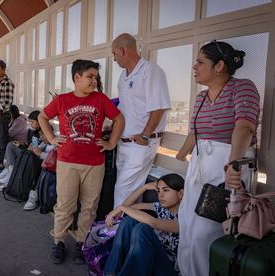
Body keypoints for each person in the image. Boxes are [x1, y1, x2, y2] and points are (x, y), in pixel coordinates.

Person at [175, 41, 260, 276]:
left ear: (219, 66)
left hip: (226, 166)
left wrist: (232, 165)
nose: (194, 67)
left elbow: (244, 127)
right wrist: (181, 156)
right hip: (200, 165)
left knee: (206, 232)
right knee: (188, 225)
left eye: (200, 62)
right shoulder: (201, 98)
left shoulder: (243, 87)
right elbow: (194, 134)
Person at [38, 59, 125, 264]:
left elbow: (119, 119)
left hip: (95, 164)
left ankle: (81, 242)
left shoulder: (101, 99)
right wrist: (51, 138)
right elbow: (43, 117)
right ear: (77, 77)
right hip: (67, 162)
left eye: (96, 77)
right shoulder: (62, 100)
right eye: (90, 76)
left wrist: (111, 143)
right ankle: (58, 241)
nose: (94, 80)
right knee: (65, 205)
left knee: (89, 206)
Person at [111, 33, 171, 208]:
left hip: (140, 144)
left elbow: (159, 107)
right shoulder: (123, 77)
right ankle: (127, 232)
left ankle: (114, 232)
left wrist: (145, 136)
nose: (114, 59)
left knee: (122, 192)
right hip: (124, 144)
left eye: (114, 54)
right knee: (131, 194)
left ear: (122, 50)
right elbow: (126, 107)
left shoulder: (151, 71)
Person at [104, 174, 184, 276]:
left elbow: (154, 223)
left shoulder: (184, 218)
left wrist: (121, 208)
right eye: (158, 190)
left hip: (167, 268)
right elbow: (130, 207)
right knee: (129, 221)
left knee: (142, 229)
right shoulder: (161, 207)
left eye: (166, 190)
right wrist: (144, 187)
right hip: (150, 259)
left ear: (180, 194)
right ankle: (110, 273)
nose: (160, 195)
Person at [0, 110, 40, 192]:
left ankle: (9, 179)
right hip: (30, 153)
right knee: (10, 145)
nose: (31, 124)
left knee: (9, 145)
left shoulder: (44, 133)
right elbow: (32, 146)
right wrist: (23, 145)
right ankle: (10, 172)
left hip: (34, 158)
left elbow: (37, 150)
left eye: (32, 122)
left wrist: (26, 147)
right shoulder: (35, 132)